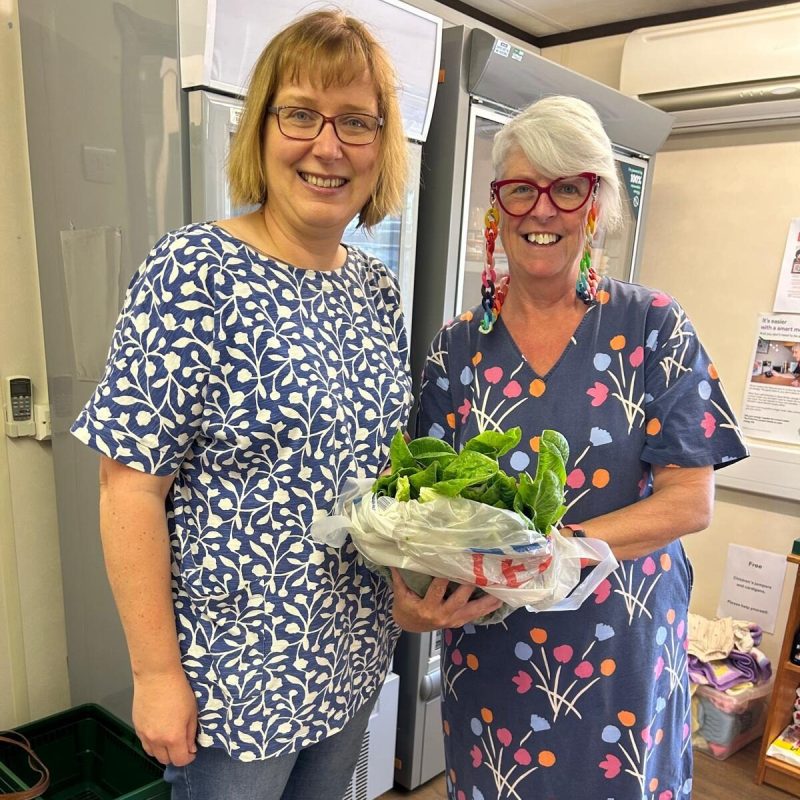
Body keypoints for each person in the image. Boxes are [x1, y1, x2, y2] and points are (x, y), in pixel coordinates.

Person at [71, 11, 494, 800]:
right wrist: (156, 673)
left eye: (357, 123)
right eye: (301, 113)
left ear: (382, 147)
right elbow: (127, 489)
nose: (328, 146)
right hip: (231, 692)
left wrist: (411, 584)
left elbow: (374, 482)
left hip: (350, 663)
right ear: (261, 127)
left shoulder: (372, 289)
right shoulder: (194, 271)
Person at [394, 95, 749, 799]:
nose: (542, 211)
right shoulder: (456, 348)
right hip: (492, 650)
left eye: (568, 188)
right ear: (496, 208)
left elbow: (688, 502)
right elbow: (419, 512)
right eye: (521, 189)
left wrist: (553, 552)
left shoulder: (653, 326)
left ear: (597, 205)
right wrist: (410, 601)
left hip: (620, 648)